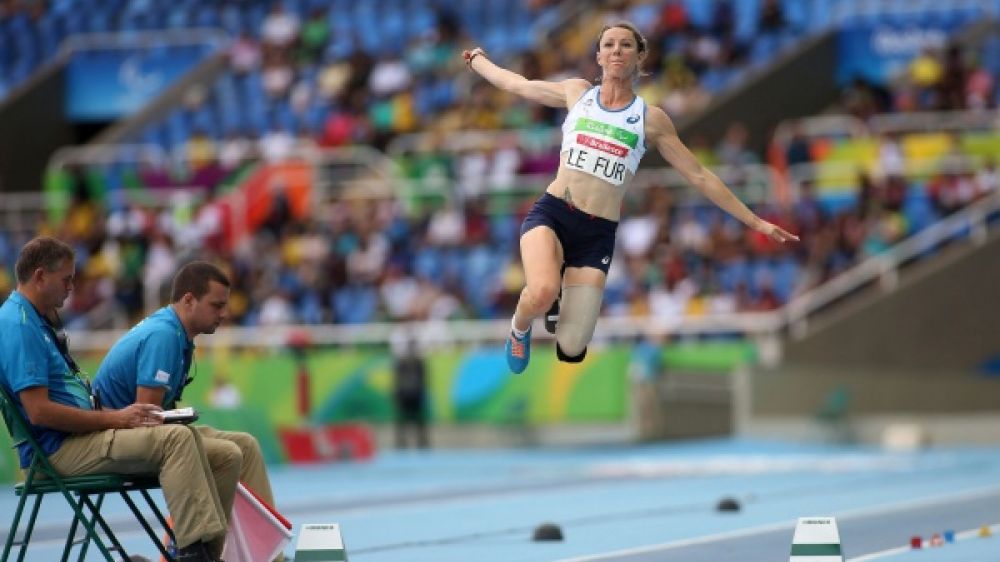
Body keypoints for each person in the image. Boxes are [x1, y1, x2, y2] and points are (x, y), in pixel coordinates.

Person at [462, 22, 798, 373]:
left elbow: (699, 175)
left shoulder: (651, 120)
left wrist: (755, 220)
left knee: (571, 346)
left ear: (638, 56)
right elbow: (517, 84)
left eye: (625, 45)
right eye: (609, 44)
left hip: (597, 234)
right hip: (554, 213)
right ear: (599, 56)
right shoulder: (577, 93)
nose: (617, 50)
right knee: (542, 290)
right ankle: (519, 328)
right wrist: (478, 61)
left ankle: (558, 295)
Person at [0, 237, 231, 562]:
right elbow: (39, 413)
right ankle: (193, 556)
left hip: (80, 437)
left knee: (212, 448)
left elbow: (70, 400)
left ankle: (202, 552)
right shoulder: (19, 325)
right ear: (40, 277)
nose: (71, 287)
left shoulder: (35, 320)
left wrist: (121, 416)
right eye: (66, 279)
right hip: (56, 453)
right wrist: (116, 418)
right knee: (176, 440)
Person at [92, 261, 283, 560]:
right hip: (119, 440)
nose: (224, 314)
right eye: (217, 305)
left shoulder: (179, 334)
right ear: (189, 300)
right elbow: (147, 420)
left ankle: (270, 557)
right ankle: (199, 552)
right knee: (226, 454)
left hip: (146, 432)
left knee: (246, 445)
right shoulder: (164, 336)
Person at [392, 336, 429, 449]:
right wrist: (398, 393)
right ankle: (402, 442)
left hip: (415, 394)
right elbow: (398, 379)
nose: (412, 350)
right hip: (406, 394)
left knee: (418, 420)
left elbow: (423, 380)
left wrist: (421, 393)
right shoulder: (402, 362)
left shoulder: (419, 362)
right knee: (403, 420)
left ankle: (421, 441)